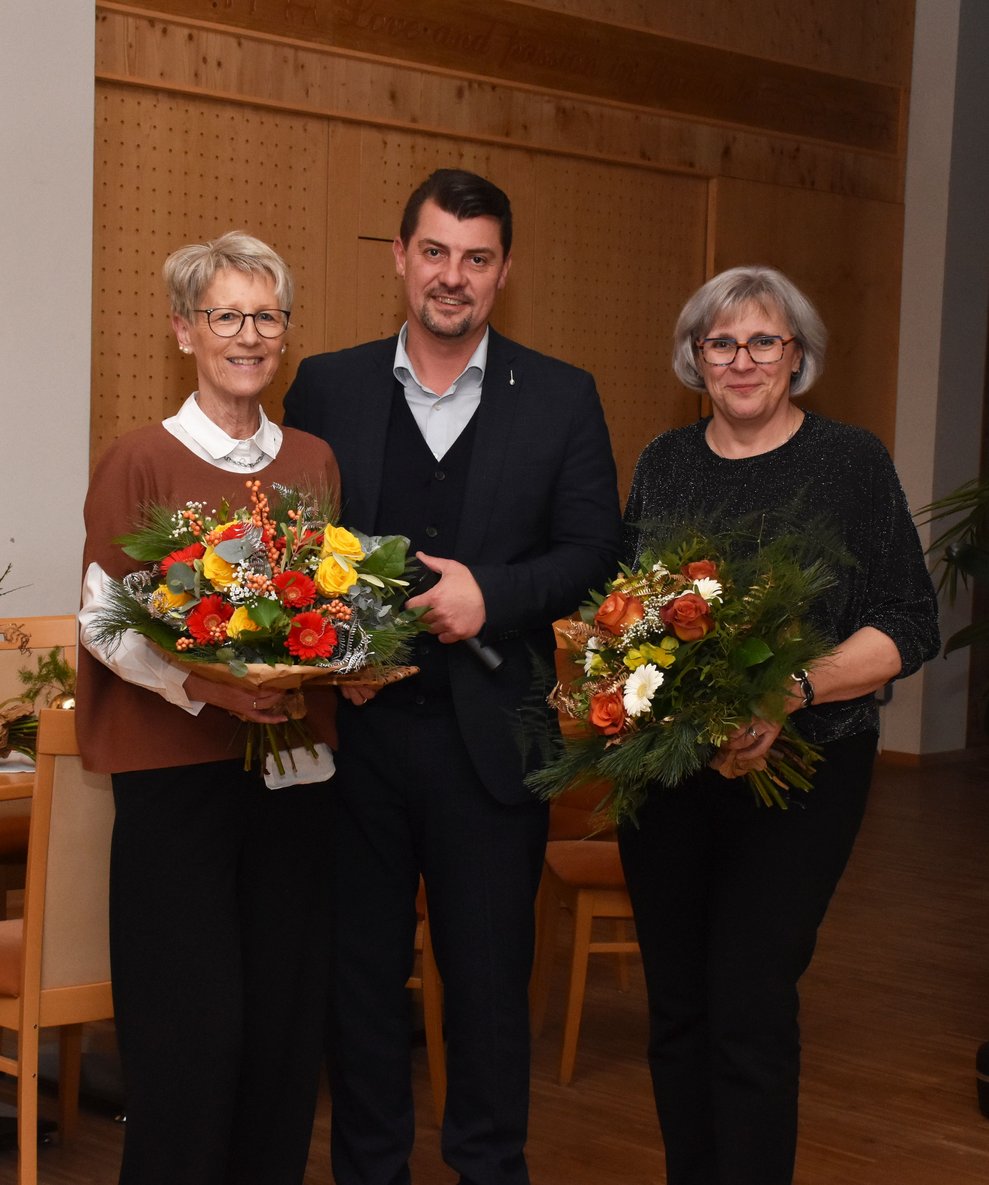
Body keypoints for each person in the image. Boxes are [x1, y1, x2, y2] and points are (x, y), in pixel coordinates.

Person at [283, 168, 623, 1185]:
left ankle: (489, 1171)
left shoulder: (560, 396)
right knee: (360, 989)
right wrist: (336, 651)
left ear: (503, 273)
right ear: (398, 258)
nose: (452, 276)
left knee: (485, 990)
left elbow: (593, 549)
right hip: (356, 743)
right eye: (434, 252)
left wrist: (496, 593)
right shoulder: (328, 385)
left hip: (492, 748)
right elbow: (297, 551)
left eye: (475, 259)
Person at [618, 265, 940, 1185]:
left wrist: (786, 691)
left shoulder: (849, 461)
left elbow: (909, 619)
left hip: (807, 771)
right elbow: (626, 611)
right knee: (677, 1009)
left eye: (765, 341)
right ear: (694, 359)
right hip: (668, 776)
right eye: (721, 343)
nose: (743, 360)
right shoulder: (663, 463)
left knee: (750, 1005)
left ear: (797, 356)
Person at [76, 231, 339, 1185]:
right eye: (226, 314)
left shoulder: (311, 458)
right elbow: (105, 623)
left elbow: (328, 602)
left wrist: (348, 653)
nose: (248, 334)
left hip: (296, 777)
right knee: (189, 1035)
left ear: (285, 334)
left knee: (281, 1030)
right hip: (175, 780)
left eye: (265, 315)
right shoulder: (140, 458)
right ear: (185, 331)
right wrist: (201, 684)